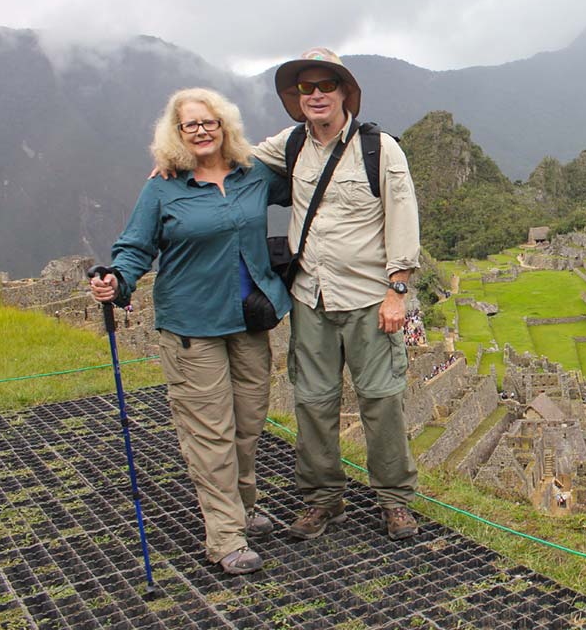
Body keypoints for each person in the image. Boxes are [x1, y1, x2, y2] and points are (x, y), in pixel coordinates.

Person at [89, 88, 291, 575]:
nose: (201, 131)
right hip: (191, 326)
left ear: (225, 126)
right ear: (176, 134)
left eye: (209, 122)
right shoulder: (163, 188)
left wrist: (371, 144)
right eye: (189, 125)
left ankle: (243, 506)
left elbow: (310, 165)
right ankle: (224, 536)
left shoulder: (254, 175)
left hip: (248, 320)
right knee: (209, 432)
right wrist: (117, 280)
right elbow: (136, 247)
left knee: (248, 423)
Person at [253, 48, 421, 542]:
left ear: (345, 92)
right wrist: (173, 164)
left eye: (327, 85)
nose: (317, 94)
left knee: (382, 401)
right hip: (311, 298)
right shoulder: (289, 147)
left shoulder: (380, 149)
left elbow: (402, 217)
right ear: (297, 97)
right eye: (307, 87)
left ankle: (394, 500)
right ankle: (323, 499)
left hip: (370, 299)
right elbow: (231, 155)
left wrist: (398, 291)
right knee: (312, 401)